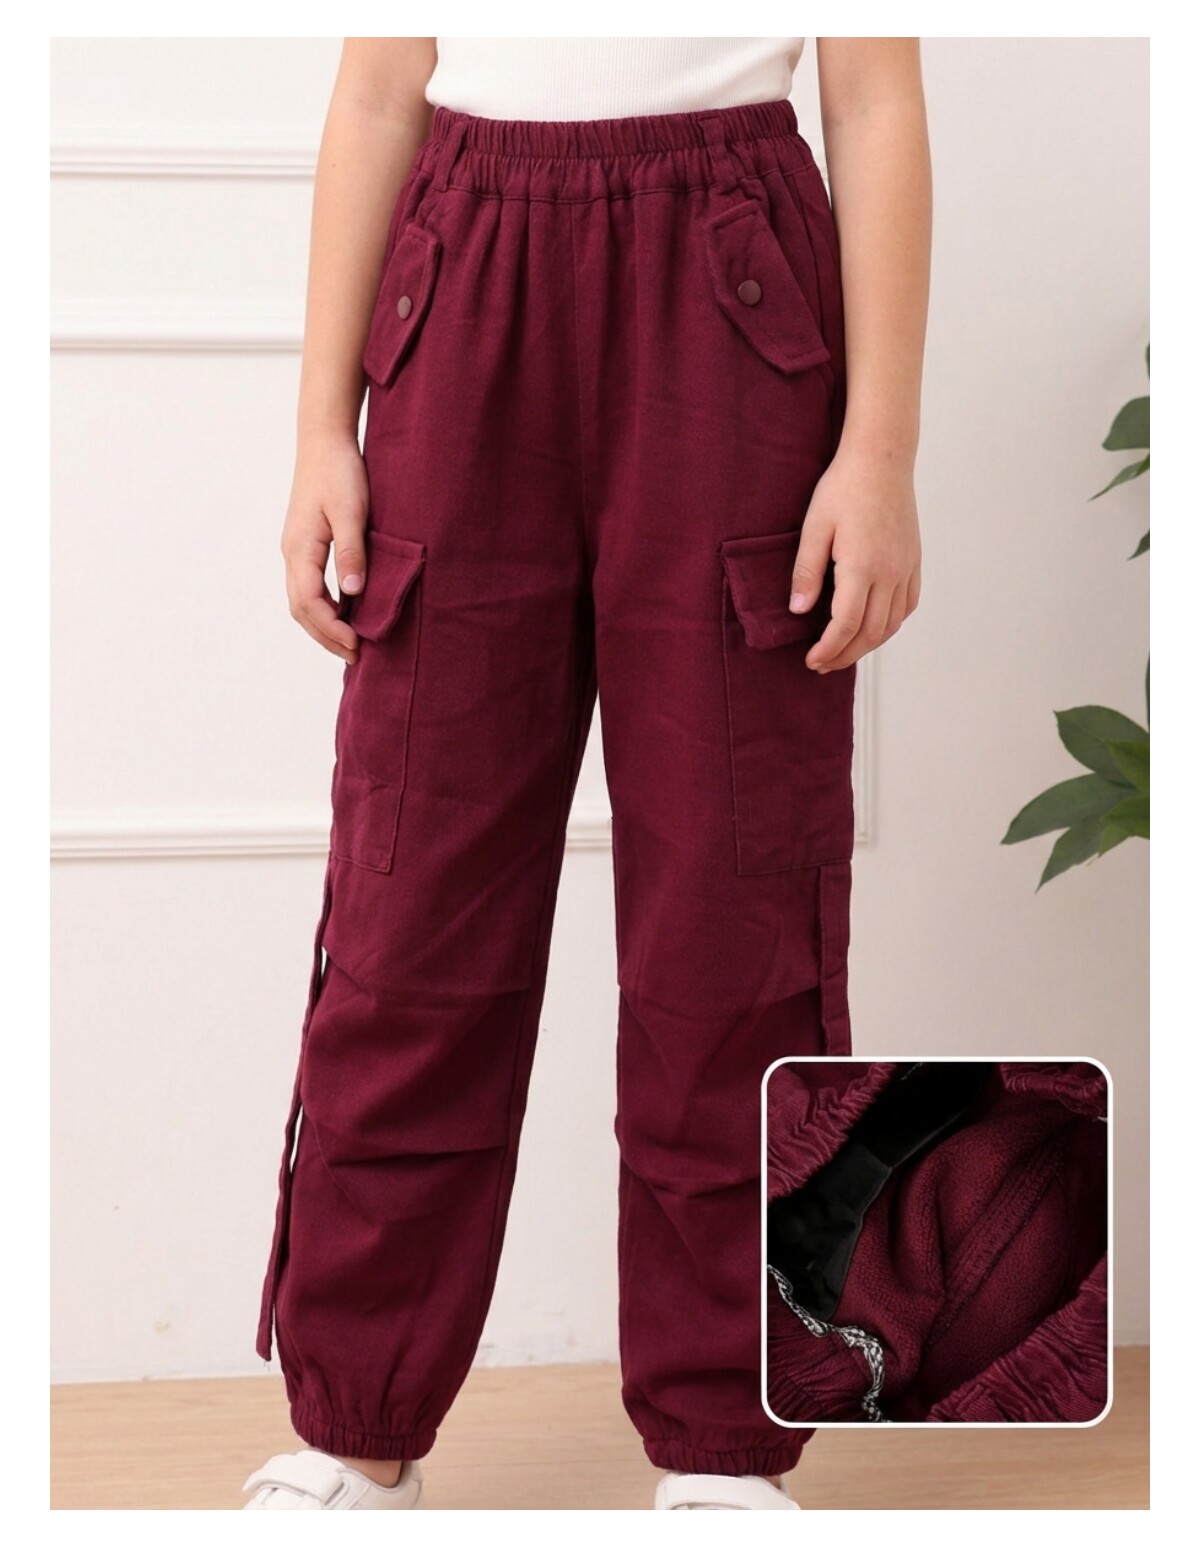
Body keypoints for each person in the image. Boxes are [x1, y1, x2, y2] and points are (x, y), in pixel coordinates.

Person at [242, 36, 930, 1511]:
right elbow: (378, 91)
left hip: (730, 285)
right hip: (463, 282)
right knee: (411, 908)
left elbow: (875, 98)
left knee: (734, 915)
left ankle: (725, 1453)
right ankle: (355, 1435)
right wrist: (317, 430)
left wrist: (879, 452)